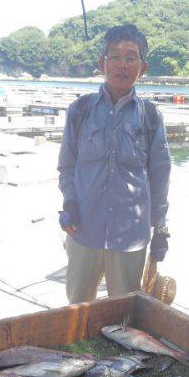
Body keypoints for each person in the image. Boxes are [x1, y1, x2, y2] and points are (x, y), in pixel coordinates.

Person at [58, 24, 171, 304]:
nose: (122, 65)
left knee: (124, 315)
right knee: (76, 310)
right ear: (102, 63)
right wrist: (70, 202)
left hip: (131, 235)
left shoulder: (151, 117)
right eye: (115, 56)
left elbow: (160, 176)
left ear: (142, 68)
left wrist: (161, 227)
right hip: (84, 229)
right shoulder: (80, 111)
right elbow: (66, 166)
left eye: (131, 57)